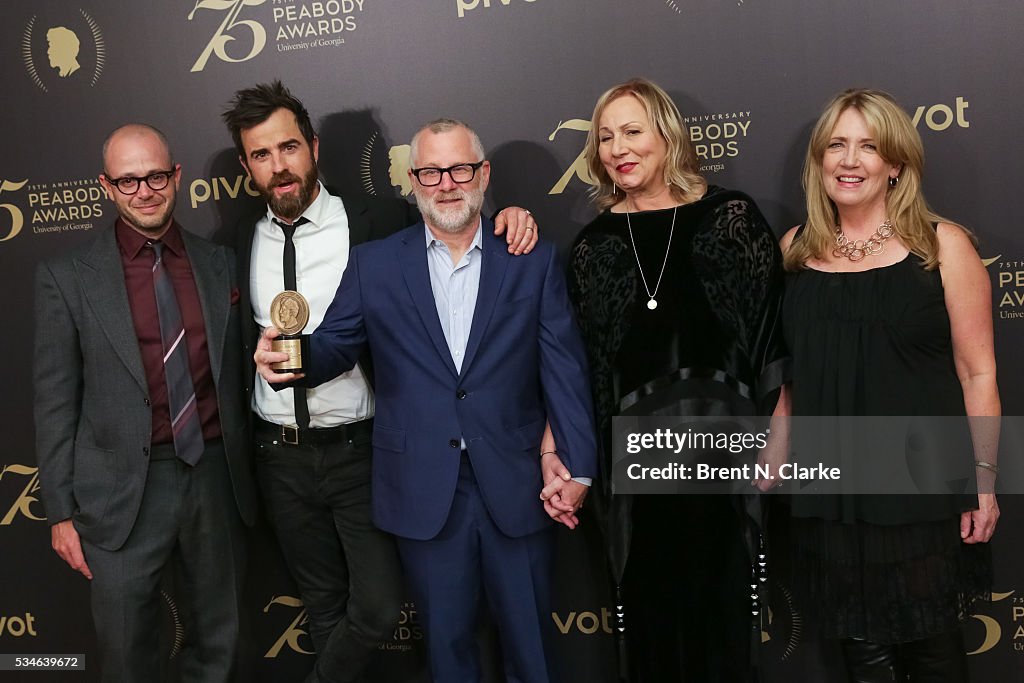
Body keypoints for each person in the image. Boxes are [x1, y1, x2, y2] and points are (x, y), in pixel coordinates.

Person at [254, 117, 597, 683]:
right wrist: (286, 361)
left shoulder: (529, 256)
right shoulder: (376, 263)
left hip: (518, 483)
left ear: (483, 175)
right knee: (448, 655)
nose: (446, 183)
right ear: (412, 180)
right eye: (430, 171)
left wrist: (579, 465)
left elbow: (564, 365)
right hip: (424, 491)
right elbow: (336, 343)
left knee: (533, 654)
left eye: (459, 168)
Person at [772, 88, 998, 682]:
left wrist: (985, 483)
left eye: (869, 147)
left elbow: (978, 373)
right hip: (833, 490)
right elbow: (789, 377)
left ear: (895, 164)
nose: (850, 161)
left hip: (922, 488)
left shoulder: (942, 246)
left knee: (931, 647)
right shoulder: (794, 251)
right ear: (819, 160)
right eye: (837, 145)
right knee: (860, 653)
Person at [568, 78, 787, 682]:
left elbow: (772, 336)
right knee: (649, 619)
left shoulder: (730, 217)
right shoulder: (592, 247)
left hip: (725, 461)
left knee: (722, 614)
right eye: (606, 136)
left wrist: (779, 432)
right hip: (636, 475)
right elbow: (584, 368)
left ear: (667, 137)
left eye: (632, 131)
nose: (618, 147)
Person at [34, 124, 256, 682]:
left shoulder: (220, 262)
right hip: (119, 492)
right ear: (107, 187)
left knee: (220, 644)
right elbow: (56, 400)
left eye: (156, 176)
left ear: (176, 177)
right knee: (128, 652)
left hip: (213, 476)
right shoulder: (67, 278)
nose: (145, 190)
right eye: (129, 181)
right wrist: (59, 511)